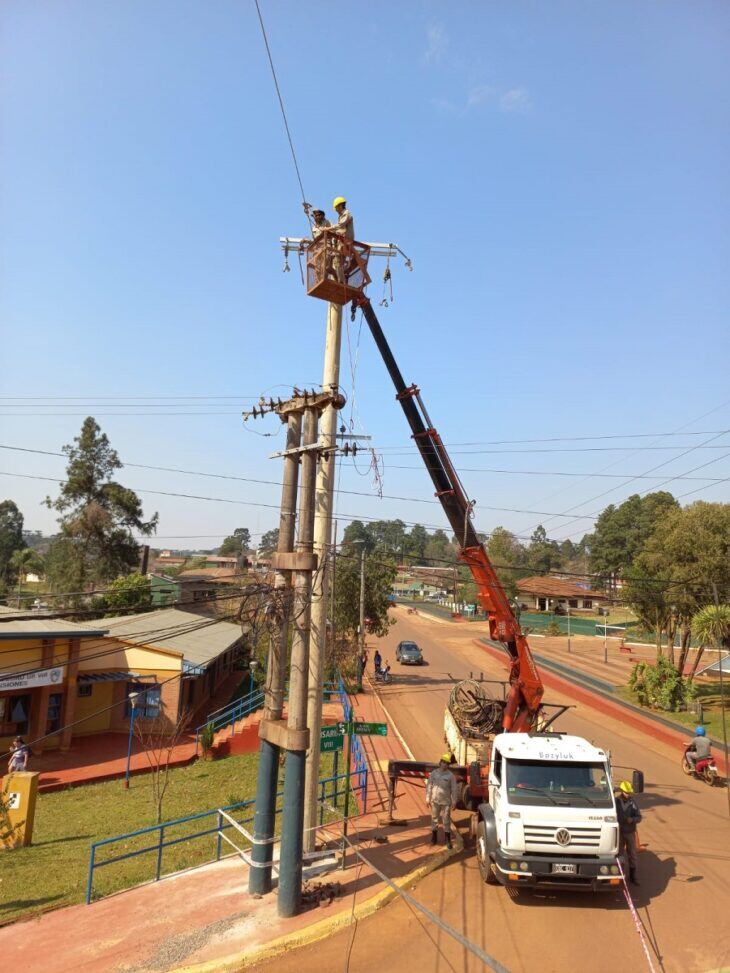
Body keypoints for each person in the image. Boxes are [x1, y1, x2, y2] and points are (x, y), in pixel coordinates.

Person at [426, 754, 458, 848]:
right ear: (440, 763)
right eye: (443, 762)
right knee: (434, 819)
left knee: (446, 821)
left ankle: (448, 840)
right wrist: (427, 798)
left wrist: (454, 801)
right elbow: (429, 786)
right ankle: (434, 838)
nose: (444, 764)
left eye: (446, 763)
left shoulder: (450, 776)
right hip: (435, 801)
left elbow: (454, 790)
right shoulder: (434, 773)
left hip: (446, 803)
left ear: (448, 765)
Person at [615, 780, 642, 885]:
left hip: (630, 833)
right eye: (626, 792)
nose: (628, 795)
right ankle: (619, 875)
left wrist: (633, 819)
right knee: (619, 854)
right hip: (619, 833)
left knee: (632, 854)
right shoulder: (616, 802)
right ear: (622, 791)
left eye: (629, 793)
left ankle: (632, 877)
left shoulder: (633, 802)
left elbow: (639, 817)